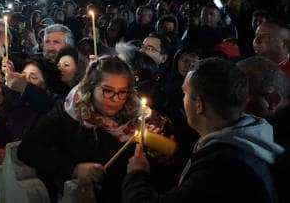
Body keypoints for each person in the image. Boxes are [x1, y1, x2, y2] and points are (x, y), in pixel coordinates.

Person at [123, 57, 283, 202]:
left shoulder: (221, 169)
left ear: (199, 105)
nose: (182, 99)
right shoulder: (240, 138)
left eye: (185, 93)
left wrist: (137, 173)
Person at [18, 56, 172, 202]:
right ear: (92, 87)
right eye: (107, 90)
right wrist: (74, 169)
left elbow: (164, 163)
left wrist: (156, 150)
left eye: (122, 92)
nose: (115, 99)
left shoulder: (139, 116)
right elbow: (28, 149)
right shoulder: (70, 111)